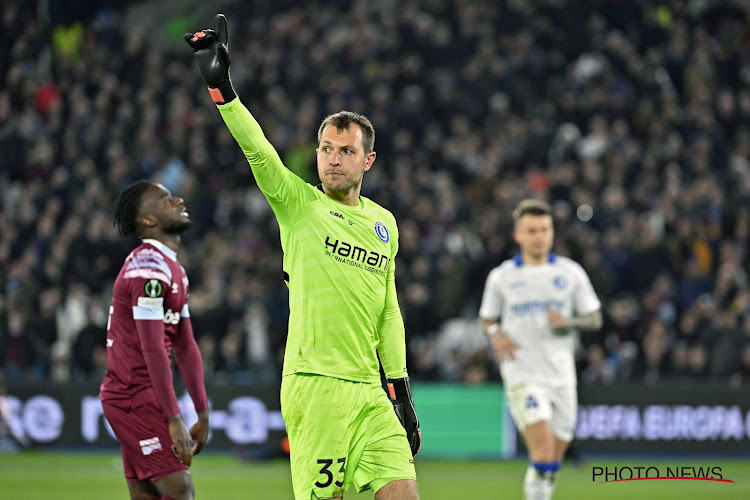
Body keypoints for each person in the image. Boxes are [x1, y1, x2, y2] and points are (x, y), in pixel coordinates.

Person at [185, 15, 420, 500]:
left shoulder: (385, 225)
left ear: (367, 160)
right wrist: (223, 91)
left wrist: (401, 390)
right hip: (315, 387)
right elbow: (258, 151)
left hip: (370, 393)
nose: (333, 159)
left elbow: (388, 311)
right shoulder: (299, 206)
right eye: (326, 149)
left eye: (346, 151)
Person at [478, 199, 602, 500]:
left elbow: (595, 317)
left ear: (552, 232)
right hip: (523, 373)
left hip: (561, 375)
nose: (539, 236)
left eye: (544, 229)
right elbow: (486, 319)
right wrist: (496, 333)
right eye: (532, 230)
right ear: (518, 234)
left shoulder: (570, 273)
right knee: (544, 453)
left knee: (552, 463)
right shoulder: (503, 276)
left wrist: (569, 322)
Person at [100, 180, 209, 500]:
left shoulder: (172, 269)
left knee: (147, 495)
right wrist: (173, 418)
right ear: (148, 221)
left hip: (142, 396)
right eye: (165, 200)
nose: (178, 200)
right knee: (179, 490)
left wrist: (202, 412)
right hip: (133, 396)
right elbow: (151, 349)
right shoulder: (146, 270)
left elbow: (186, 346)